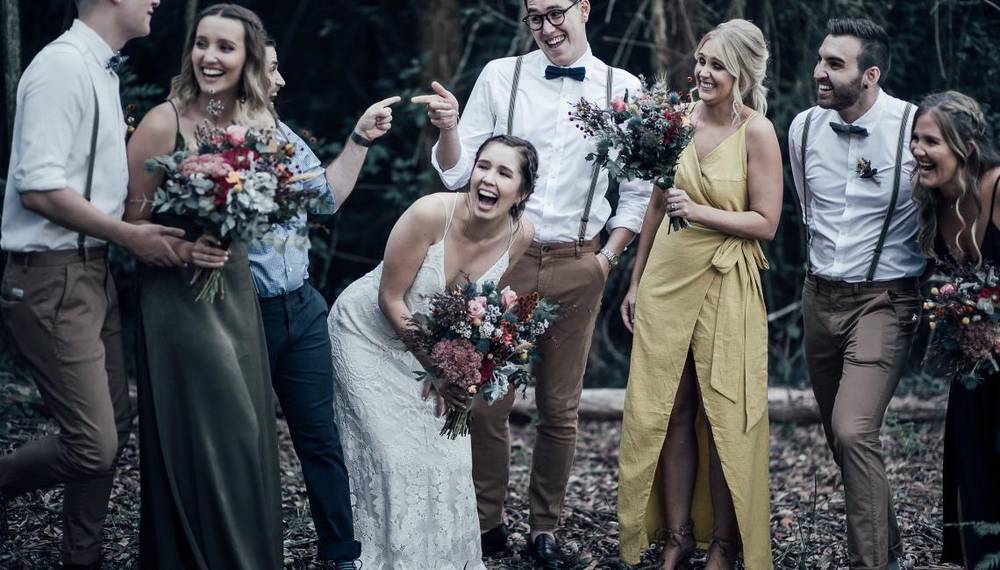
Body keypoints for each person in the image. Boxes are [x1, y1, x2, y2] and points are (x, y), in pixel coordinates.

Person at [413, 0, 651, 563]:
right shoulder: (502, 75)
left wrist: (606, 261)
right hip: (507, 259)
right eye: (535, 17)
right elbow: (456, 171)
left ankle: (545, 530)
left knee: (560, 409)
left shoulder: (624, 88)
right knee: (488, 400)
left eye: (555, 12)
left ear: (584, 8)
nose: (546, 27)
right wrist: (448, 130)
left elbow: (639, 192)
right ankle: (487, 523)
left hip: (580, 263)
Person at [0, 0, 180, 567]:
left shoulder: (100, 69)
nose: (157, 0)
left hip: (90, 268)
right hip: (52, 276)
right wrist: (129, 237)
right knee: (93, 444)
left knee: (115, 425)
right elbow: (38, 189)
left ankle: (84, 558)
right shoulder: (62, 67)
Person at [327, 135, 536, 569]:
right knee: (393, 458)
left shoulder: (521, 235)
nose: (488, 179)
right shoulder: (429, 214)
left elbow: (476, 310)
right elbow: (390, 299)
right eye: (483, 166)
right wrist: (438, 370)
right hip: (365, 335)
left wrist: (466, 368)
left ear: (522, 193)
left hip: (427, 350)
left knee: (449, 459)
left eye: (504, 173)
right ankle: (381, 558)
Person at [617, 19, 780, 570]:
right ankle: (677, 536)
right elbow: (655, 205)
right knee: (669, 408)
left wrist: (701, 211)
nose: (703, 73)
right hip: (666, 278)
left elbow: (766, 222)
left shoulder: (757, 132)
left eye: (717, 66)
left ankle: (726, 545)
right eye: (701, 62)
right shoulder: (678, 121)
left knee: (723, 415)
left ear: (743, 74)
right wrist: (636, 280)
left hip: (725, 278)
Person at [124, 5, 284, 568]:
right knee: (213, 434)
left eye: (225, 47)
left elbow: (271, 204)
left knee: (246, 431)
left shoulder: (259, 121)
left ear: (248, 59)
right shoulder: (161, 123)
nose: (209, 57)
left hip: (233, 290)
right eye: (201, 44)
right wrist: (185, 249)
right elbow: (131, 224)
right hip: (178, 296)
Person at [253, 38, 398, 569]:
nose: (281, 80)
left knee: (320, 437)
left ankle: (341, 554)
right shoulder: (213, 138)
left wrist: (359, 138)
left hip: (302, 307)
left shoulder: (281, 133)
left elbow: (326, 196)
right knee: (247, 441)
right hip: (246, 315)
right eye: (271, 69)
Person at [788, 18, 924, 570]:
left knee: (852, 428)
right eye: (821, 60)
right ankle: (889, 553)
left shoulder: (913, 127)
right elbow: (809, 213)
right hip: (818, 298)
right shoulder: (801, 129)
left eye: (835, 64)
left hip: (885, 300)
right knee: (843, 437)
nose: (819, 72)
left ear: (870, 75)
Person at [909, 91, 1000, 569]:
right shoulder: (935, 204)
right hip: (974, 368)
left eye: (931, 141)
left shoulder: (996, 187)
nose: (918, 150)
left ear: (964, 148)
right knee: (974, 466)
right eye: (915, 139)